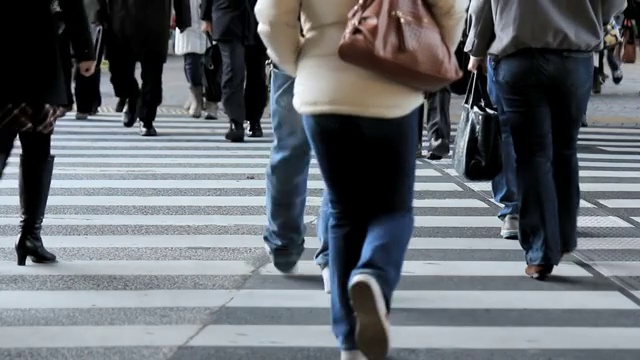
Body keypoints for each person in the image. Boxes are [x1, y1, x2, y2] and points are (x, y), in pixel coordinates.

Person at [255, 1, 467, 359]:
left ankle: (348, 342)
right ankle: (373, 273)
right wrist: (430, 52)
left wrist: (300, 62)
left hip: (322, 83)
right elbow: (449, 8)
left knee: (343, 211)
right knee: (393, 209)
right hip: (392, 79)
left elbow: (272, 15)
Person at [466, 0, 626, 279]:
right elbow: (616, 2)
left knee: (532, 156)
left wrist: (476, 50)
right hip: (575, 58)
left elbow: (480, 8)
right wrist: (587, 19)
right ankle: (564, 236)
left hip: (519, 56)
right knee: (565, 149)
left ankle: (541, 251)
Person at [0, 0, 96, 266]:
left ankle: (31, 235)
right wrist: (84, 50)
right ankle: (30, 235)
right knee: (37, 144)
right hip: (37, 50)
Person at [103, 0, 191, 136]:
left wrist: (183, 17)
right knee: (119, 73)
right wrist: (97, 14)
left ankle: (147, 120)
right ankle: (133, 97)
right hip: (120, 19)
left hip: (154, 20)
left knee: (153, 74)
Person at [201, 0, 269, 142]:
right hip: (226, 14)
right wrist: (206, 17)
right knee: (233, 71)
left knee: (257, 73)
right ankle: (236, 122)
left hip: (260, 16)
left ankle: (253, 119)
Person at [175, 0, 209, 118]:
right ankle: (195, 96)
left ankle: (201, 98)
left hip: (207, 16)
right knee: (190, 58)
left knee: (205, 62)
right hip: (186, 15)